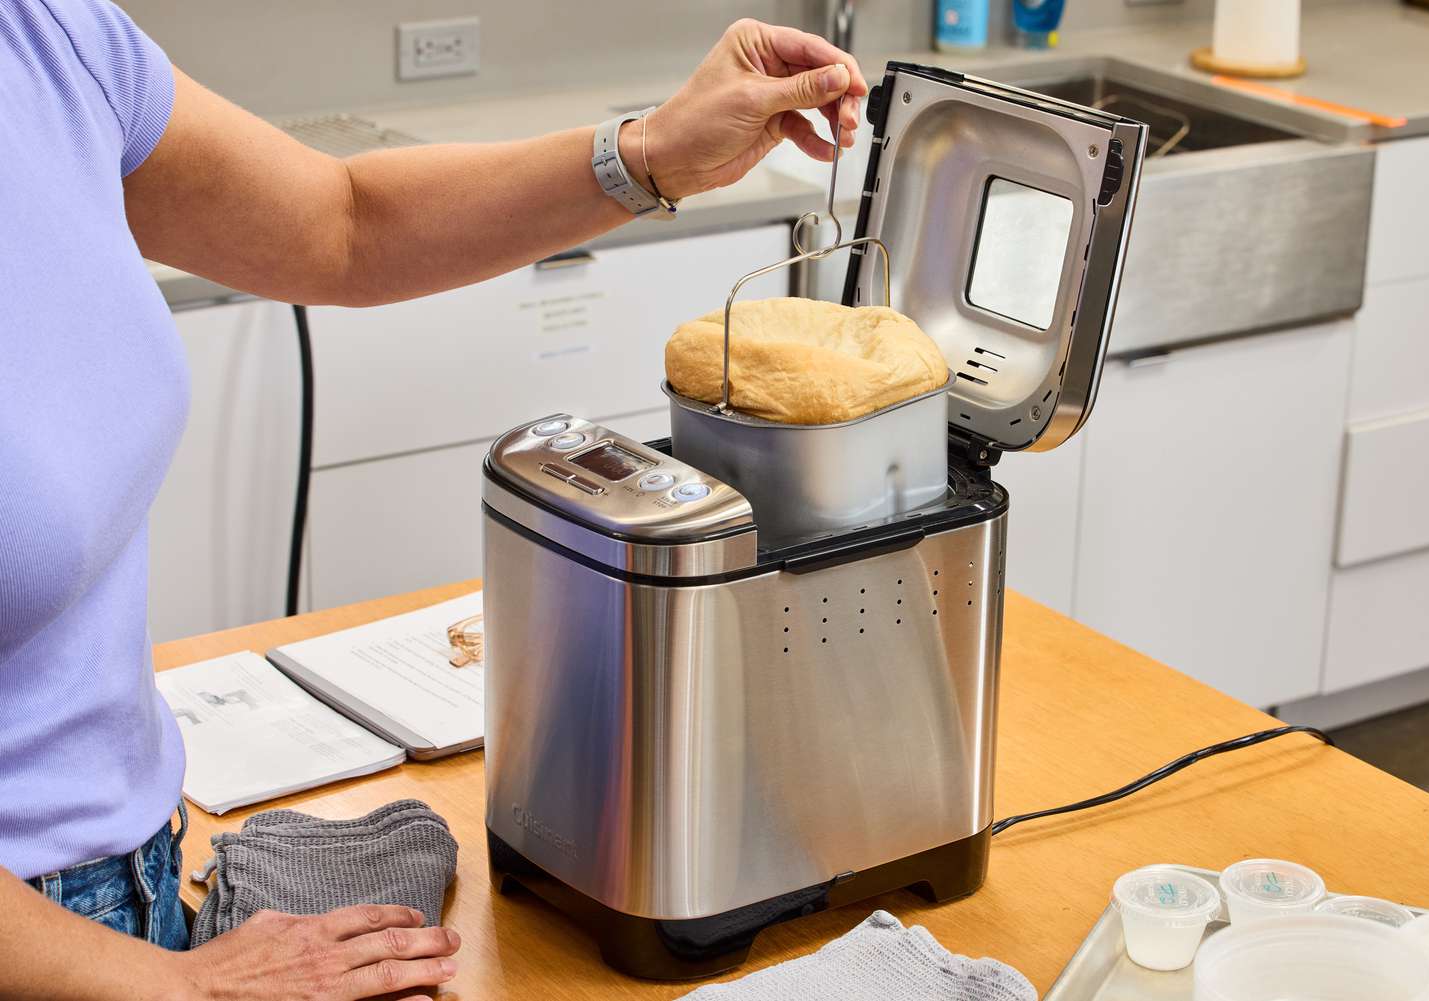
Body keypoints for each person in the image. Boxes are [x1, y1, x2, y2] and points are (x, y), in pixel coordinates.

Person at [0, 2, 867, 998]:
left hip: (136, 877)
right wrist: (177, 984)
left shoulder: (47, 37)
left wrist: (653, 152)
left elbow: (344, 225)